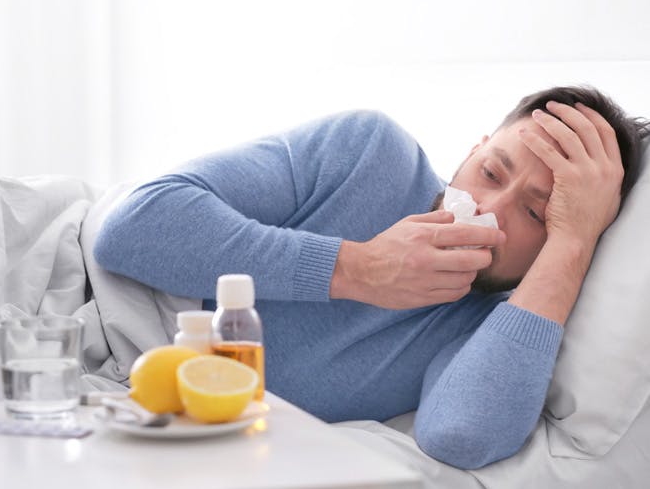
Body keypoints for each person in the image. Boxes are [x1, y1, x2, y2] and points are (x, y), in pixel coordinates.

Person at [93, 86, 648, 469]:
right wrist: (357, 269)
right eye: (490, 171)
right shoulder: (369, 152)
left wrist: (573, 241)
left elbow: (460, 436)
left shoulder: (488, 332)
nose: (488, 209)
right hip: (80, 285)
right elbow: (130, 229)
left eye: (535, 213)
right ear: (474, 149)